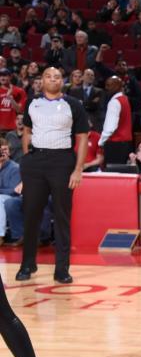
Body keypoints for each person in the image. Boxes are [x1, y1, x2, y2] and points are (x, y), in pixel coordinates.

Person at [17, 66, 89, 284]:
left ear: (62, 81)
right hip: (35, 162)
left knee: (61, 216)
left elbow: (83, 137)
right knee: (31, 215)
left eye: (57, 76)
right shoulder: (32, 102)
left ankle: (62, 269)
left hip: (62, 162)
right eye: (48, 76)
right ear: (42, 80)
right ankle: (27, 264)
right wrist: (28, 158)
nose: (52, 79)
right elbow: (27, 132)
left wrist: (78, 169)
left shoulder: (73, 104)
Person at [99, 76, 134, 165]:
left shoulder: (114, 102)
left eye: (109, 85)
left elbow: (110, 127)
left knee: (113, 174)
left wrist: (101, 142)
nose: (106, 88)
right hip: (125, 143)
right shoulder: (125, 99)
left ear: (118, 86)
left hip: (115, 144)